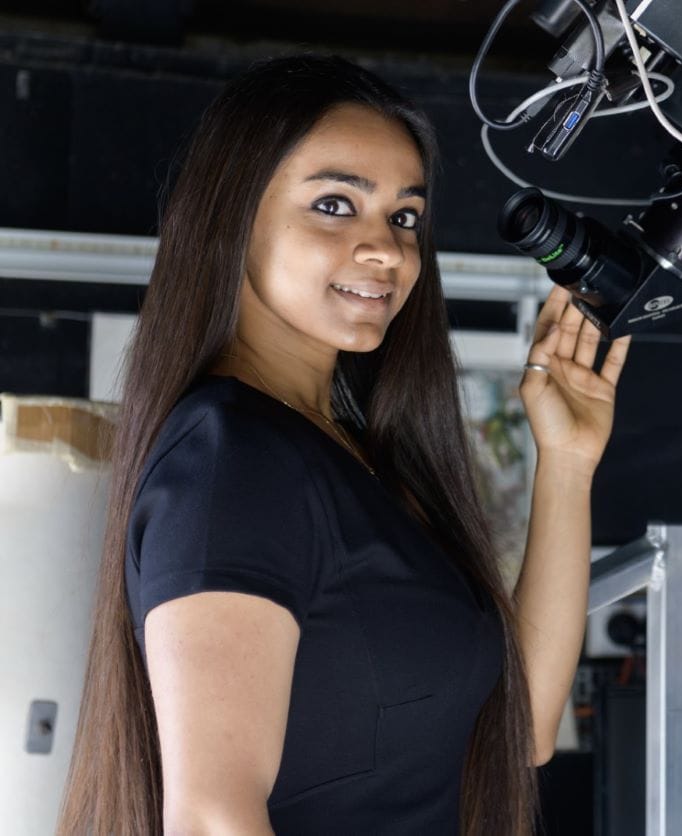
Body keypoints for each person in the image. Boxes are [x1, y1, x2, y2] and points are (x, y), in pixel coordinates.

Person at [58, 54, 631, 835]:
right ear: (235, 216)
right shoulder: (231, 458)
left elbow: (518, 730)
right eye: (335, 205)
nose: (387, 251)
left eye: (404, 217)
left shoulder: (355, 457)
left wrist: (566, 462)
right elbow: (211, 816)